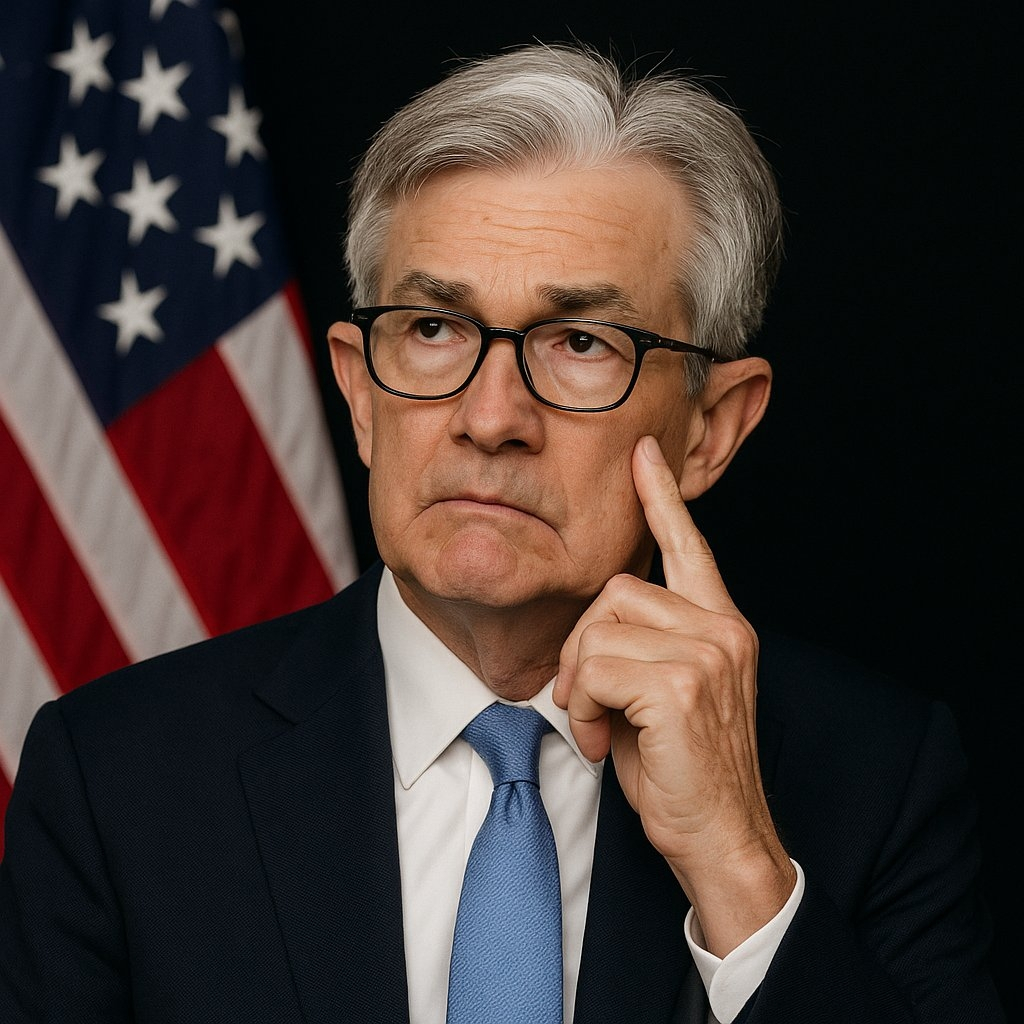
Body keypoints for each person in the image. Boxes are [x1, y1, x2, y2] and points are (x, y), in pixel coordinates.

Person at [0, 42, 1004, 1024]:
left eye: (580, 342)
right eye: (433, 329)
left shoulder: (876, 777)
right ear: (360, 394)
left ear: (711, 427)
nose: (489, 418)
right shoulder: (114, 775)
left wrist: (738, 869)